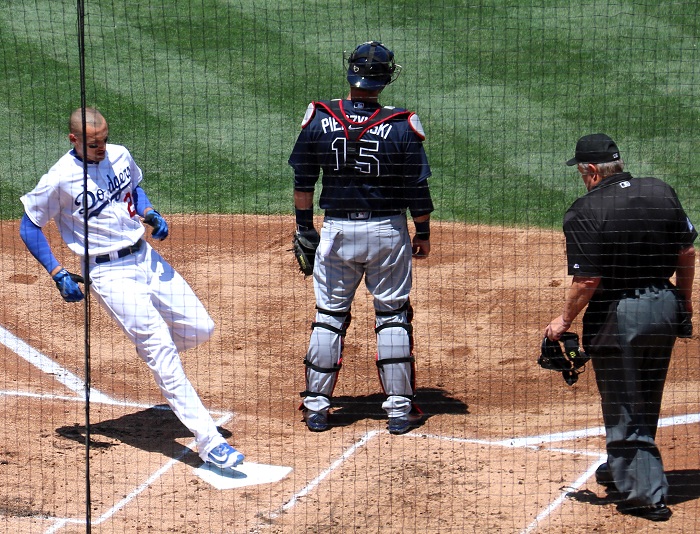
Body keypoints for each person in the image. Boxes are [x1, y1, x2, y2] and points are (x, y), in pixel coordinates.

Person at [20, 107, 245, 469]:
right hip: (108, 273)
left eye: (105, 140)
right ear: (73, 139)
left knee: (201, 327)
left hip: (145, 256)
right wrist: (57, 272)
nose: (102, 148)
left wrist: (149, 211)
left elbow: (134, 189)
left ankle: (153, 351)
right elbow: (29, 226)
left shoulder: (120, 154)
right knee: (161, 350)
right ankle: (209, 441)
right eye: (94, 144)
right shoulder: (59, 179)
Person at [545, 133, 696, 521]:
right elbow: (687, 250)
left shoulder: (585, 210)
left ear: (592, 170)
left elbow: (586, 281)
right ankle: (621, 467)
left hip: (620, 315)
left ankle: (646, 495)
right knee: (646, 392)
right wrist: (684, 301)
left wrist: (562, 322)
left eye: (581, 172)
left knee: (624, 402)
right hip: (664, 305)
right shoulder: (661, 190)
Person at [288, 41, 434, 435]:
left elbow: (303, 181)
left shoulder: (319, 117)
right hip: (387, 232)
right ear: (385, 79)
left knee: (330, 316)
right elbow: (417, 190)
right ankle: (400, 410)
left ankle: (317, 406)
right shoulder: (403, 124)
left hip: (336, 232)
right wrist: (422, 231)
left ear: (350, 72)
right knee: (391, 315)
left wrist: (304, 227)